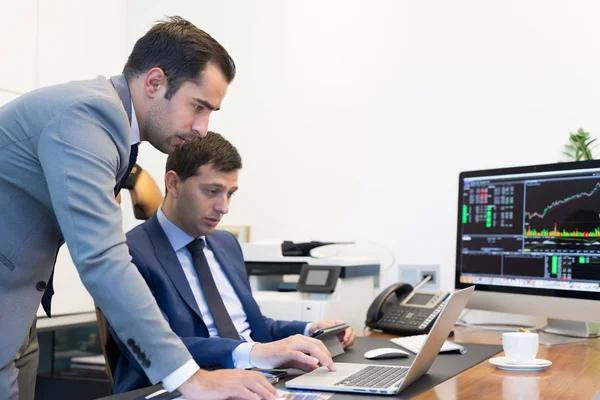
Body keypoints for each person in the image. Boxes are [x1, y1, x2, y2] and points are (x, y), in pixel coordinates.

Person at [0, 16, 277, 400]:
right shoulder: (88, 117)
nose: (203, 127)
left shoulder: (111, 128)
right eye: (198, 106)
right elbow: (102, 259)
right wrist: (189, 377)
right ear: (154, 82)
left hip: (18, 310)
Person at [111, 133, 356, 393]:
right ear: (173, 184)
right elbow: (155, 347)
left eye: (230, 193)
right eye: (212, 191)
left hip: (257, 381)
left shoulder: (225, 243)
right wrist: (254, 351)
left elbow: (251, 326)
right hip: (182, 389)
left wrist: (309, 330)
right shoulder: (126, 254)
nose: (224, 207)